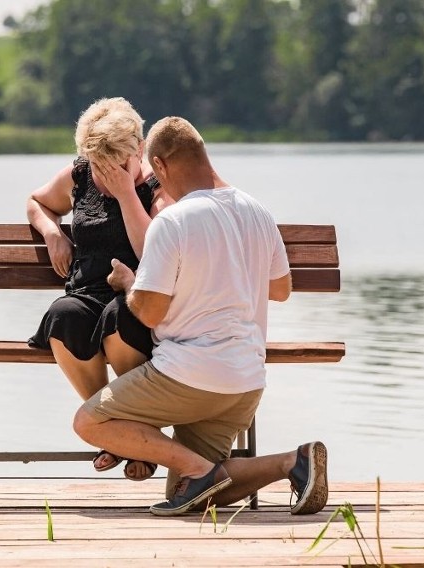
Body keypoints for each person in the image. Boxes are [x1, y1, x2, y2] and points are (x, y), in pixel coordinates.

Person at [72, 116, 329, 516]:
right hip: (246, 382)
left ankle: (199, 467)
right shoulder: (256, 210)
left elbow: (150, 311)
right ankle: (291, 462)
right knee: (191, 493)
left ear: (158, 165)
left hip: (189, 377)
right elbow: (280, 290)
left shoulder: (173, 222)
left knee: (89, 422)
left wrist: (129, 285)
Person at [27, 97, 170, 481]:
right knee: (62, 315)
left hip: (138, 301)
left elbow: (149, 250)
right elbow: (37, 202)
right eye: (98, 163)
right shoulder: (79, 176)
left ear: (139, 149)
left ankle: (126, 431)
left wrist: (126, 192)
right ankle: (118, 429)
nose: (105, 172)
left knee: (115, 317)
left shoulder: (158, 187)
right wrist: (53, 232)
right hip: (86, 293)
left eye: (116, 162)